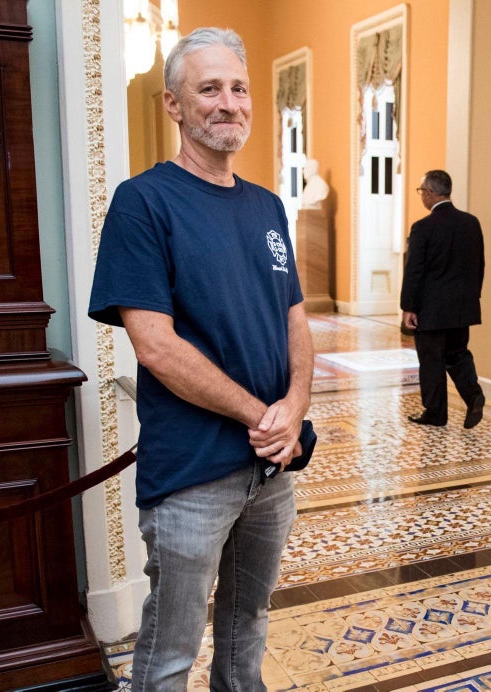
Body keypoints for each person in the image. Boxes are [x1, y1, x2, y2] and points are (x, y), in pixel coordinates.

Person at [88, 27, 312, 691]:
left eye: (239, 88)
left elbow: (296, 320)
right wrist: (262, 415)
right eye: (209, 88)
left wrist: (294, 408)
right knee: (170, 652)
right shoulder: (143, 202)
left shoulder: (267, 205)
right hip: (191, 472)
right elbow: (155, 345)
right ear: (174, 104)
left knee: (248, 629)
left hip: (270, 469)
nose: (228, 102)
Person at [400, 170, 486, 429]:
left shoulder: (423, 227)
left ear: (430, 193)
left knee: (431, 360)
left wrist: (408, 307)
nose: (421, 197)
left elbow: (414, 271)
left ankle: (436, 413)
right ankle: (473, 395)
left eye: (421, 192)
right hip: (462, 307)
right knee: (458, 354)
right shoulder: (471, 223)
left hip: (431, 309)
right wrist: (472, 298)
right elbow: (479, 265)